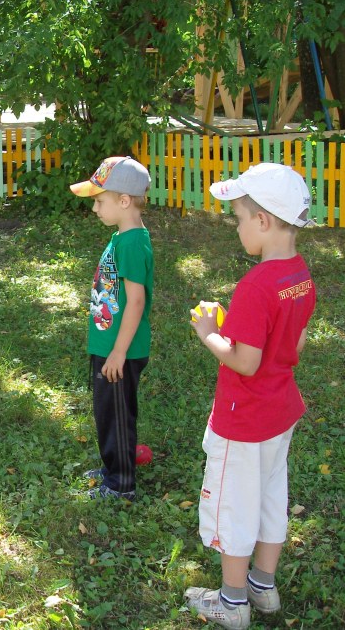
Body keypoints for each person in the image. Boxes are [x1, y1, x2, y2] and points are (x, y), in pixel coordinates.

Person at [185, 163, 317, 629]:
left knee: (234, 504)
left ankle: (232, 601)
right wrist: (239, 329)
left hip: (244, 419)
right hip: (280, 413)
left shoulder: (256, 285)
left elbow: (244, 361)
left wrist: (208, 333)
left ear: (262, 221)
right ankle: (264, 586)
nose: (237, 227)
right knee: (268, 497)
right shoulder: (300, 276)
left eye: (239, 218)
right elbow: (292, 344)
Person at [69, 156, 153, 500]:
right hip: (108, 347)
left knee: (117, 414)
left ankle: (121, 484)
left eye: (99, 201)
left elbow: (135, 301)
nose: (95, 209)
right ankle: (112, 467)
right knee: (106, 411)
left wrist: (118, 352)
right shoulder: (122, 237)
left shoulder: (133, 242)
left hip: (122, 350)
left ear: (124, 201)